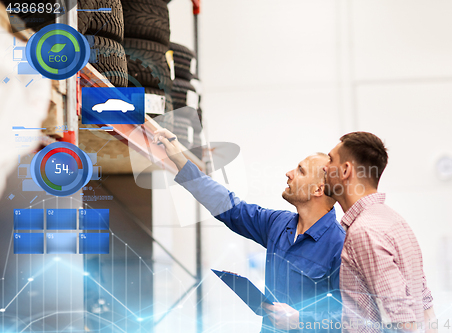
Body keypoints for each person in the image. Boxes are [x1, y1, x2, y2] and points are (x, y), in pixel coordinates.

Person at [154, 128, 345, 332]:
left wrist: (302, 320)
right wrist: (181, 162)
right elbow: (230, 208)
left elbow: (351, 319)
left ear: (317, 189)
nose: (289, 173)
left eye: (300, 170)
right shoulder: (278, 224)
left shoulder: (340, 245)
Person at [323, 132, 437, 333]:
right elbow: (425, 304)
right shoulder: (394, 220)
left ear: (346, 170)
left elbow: (401, 319)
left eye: (331, 160)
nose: (325, 167)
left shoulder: (364, 231)